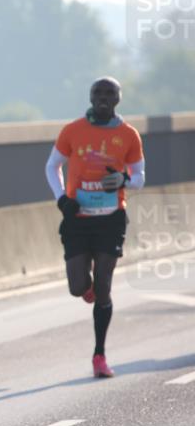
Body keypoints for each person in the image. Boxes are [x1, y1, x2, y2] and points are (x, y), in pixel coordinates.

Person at [44, 77, 146, 378]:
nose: (103, 98)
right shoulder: (73, 131)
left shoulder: (128, 135)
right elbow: (52, 166)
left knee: (104, 284)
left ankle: (99, 355)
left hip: (110, 218)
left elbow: (139, 176)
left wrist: (125, 180)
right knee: (78, 287)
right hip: (78, 217)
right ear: (90, 97)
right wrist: (62, 199)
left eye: (109, 94)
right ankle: (88, 289)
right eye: (98, 93)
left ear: (118, 99)